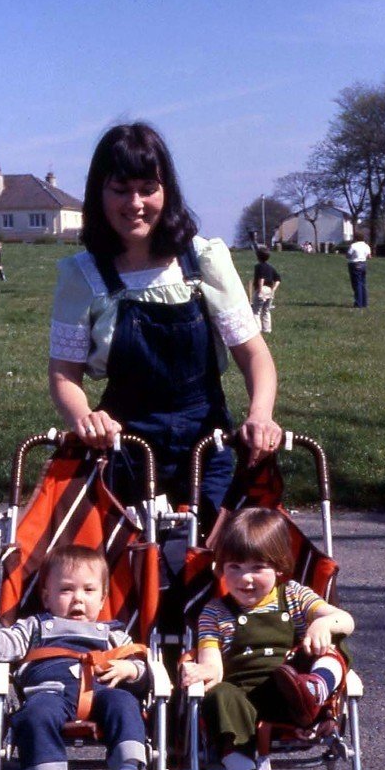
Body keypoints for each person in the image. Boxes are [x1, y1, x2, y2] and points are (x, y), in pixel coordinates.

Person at [47, 122, 281, 526]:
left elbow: (253, 354)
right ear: (98, 194)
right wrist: (85, 417)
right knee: (126, 571)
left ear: (166, 190)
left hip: (207, 446)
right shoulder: (81, 276)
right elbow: (63, 374)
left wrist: (260, 415)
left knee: (217, 565)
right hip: (125, 448)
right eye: (120, 190)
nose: (135, 203)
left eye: (147, 189)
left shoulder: (203, 260)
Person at [180, 508, 354, 770]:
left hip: (291, 687)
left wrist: (322, 623)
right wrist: (203, 670)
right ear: (221, 569)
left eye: (257, 568)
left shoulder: (294, 596)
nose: (246, 579)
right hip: (245, 699)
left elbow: (344, 620)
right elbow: (213, 664)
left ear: (278, 566)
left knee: (335, 647)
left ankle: (316, 688)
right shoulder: (215, 612)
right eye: (235, 568)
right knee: (218, 697)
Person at [0, 544, 149, 770]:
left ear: (103, 598)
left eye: (89, 591)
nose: (78, 599)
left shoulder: (113, 633)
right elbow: (2, 649)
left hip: (102, 690)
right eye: (66, 590)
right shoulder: (35, 627)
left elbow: (143, 666)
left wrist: (130, 669)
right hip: (48, 693)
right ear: (47, 597)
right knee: (33, 716)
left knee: (125, 703)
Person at [251, 247, 281, 336]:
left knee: (256, 311)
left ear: (258, 257)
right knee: (266, 310)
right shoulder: (270, 267)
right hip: (269, 290)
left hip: (262, 289)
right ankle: (267, 329)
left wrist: (260, 290)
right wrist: (273, 289)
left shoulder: (258, 266)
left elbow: (261, 278)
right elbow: (278, 279)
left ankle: (257, 330)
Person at [346, 230, 371, 308]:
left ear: (355, 238)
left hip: (355, 264)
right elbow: (369, 256)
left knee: (357, 284)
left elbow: (348, 255)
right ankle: (364, 303)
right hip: (363, 264)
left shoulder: (353, 245)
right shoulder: (366, 246)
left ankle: (358, 303)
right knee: (363, 284)